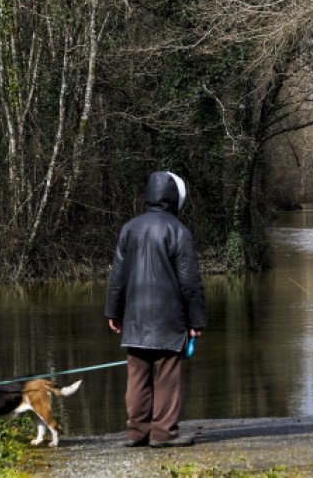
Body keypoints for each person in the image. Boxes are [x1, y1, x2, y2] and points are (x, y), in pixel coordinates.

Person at [105, 171, 207, 448]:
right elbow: (190, 282)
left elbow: (117, 276)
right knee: (168, 376)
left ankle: (136, 432)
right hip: (169, 318)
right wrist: (196, 320)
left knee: (137, 376)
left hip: (135, 317)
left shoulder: (130, 228)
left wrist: (113, 312)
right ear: (175, 198)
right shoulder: (178, 231)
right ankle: (163, 433)